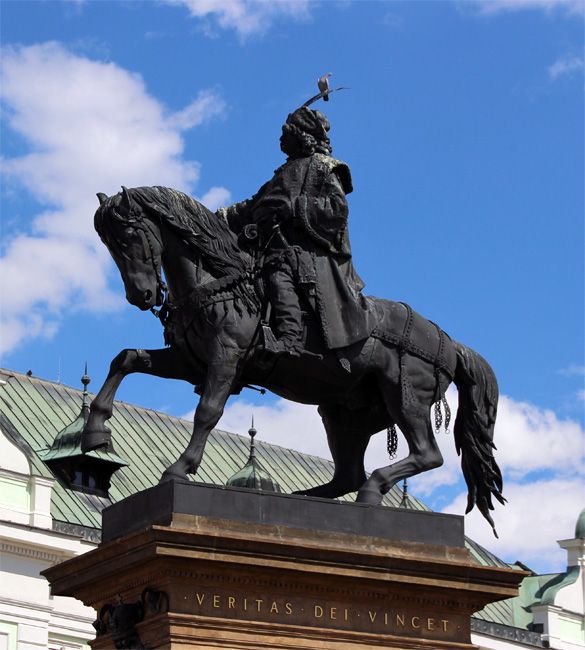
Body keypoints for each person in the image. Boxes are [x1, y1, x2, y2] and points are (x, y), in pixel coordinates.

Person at [217, 106, 375, 358]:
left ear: (303, 136)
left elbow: (338, 209)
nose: (281, 139)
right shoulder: (282, 173)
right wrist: (220, 216)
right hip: (271, 245)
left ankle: (290, 339)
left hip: (307, 251)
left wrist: (295, 207)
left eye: (286, 133)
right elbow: (253, 205)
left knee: (278, 274)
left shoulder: (325, 167)